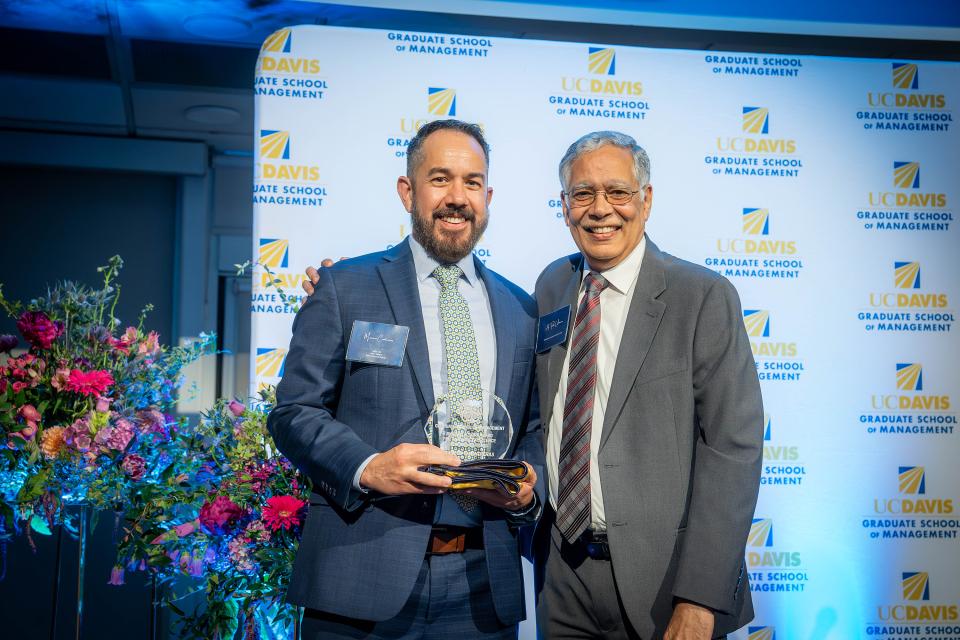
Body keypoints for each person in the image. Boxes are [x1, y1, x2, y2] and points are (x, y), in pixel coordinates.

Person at [269, 119, 543, 640]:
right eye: (440, 179)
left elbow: (532, 428)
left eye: (472, 182)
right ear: (407, 191)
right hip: (359, 577)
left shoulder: (521, 309)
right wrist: (368, 467)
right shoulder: (344, 287)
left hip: (484, 588)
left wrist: (530, 490)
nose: (457, 198)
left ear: (488, 195)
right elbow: (293, 412)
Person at [533, 130, 763, 639]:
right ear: (564, 206)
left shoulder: (701, 296)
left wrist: (699, 601)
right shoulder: (551, 286)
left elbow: (734, 451)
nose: (600, 210)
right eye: (582, 194)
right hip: (562, 576)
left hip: (665, 583)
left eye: (617, 192)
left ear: (646, 200)